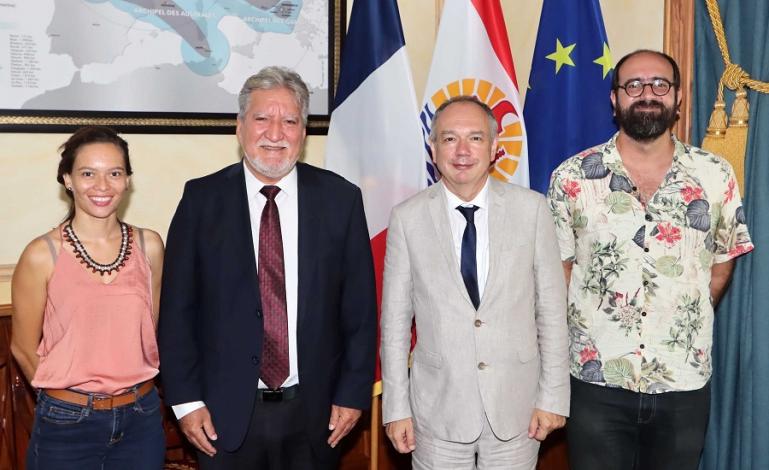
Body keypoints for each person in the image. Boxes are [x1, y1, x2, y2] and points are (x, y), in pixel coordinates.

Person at [158, 66, 377, 469]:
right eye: (261, 118)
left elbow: (360, 313)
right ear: (240, 128)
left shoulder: (340, 201)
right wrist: (186, 403)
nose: (275, 133)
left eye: (289, 121)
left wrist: (352, 393)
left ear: (304, 133)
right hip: (223, 419)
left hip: (317, 416)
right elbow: (176, 314)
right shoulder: (200, 201)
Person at [547, 50, 754, 470]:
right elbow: (560, 271)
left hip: (683, 382)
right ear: (614, 98)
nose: (647, 94)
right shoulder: (571, 177)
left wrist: (676, 312)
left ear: (678, 97)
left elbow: (720, 262)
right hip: (596, 381)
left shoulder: (715, 174)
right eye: (634, 85)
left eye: (660, 85)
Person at [380, 95, 569, 469]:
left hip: (516, 411)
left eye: (476, 138)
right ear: (433, 149)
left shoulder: (532, 210)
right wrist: (396, 408)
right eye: (449, 139)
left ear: (496, 148)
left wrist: (554, 397)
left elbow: (551, 311)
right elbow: (395, 323)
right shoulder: (407, 218)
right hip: (436, 413)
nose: (462, 150)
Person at [10, 126, 166, 469]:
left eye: (114, 173)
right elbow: (21, 347)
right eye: (87, 173)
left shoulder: (149, 246)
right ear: (68, 179)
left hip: (142, 417)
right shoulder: (42, 254)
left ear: (127, 180)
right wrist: (65, 402)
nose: (102, 186)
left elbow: (152, 330)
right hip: (66, 424)